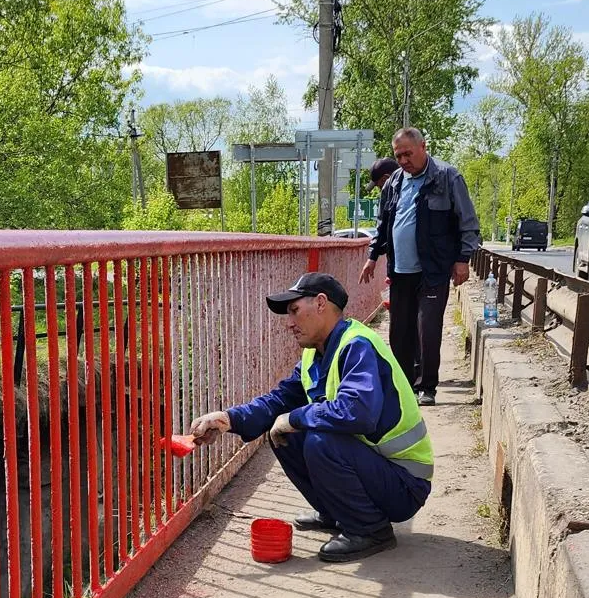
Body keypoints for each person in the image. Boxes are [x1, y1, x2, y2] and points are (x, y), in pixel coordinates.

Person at [188, 272, 434, 563]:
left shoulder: (357, 345)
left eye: (294, 310)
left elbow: (357, 413)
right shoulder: (313, 354)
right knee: (285, 435)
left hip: (405, 483)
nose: (289, 323)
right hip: (378, 469)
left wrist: (294, 418)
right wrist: (228, 419)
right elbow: (278, 401)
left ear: (320, 303)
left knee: (319, 439)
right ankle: (337, 513)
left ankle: (370, 529)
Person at [359, 127, 481, 406]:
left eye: (407, 154)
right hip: (400, 271)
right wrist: (372, 256)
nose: (403, 161)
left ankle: (427, 386)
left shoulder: (447, 177)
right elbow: (383, 225)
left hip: (433, 270)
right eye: (398, 155)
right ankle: (404, 386)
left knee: (427, 328)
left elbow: (469, 223)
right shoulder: (394, 184)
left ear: (423, 146)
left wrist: (463, 260)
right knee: (400, 332)